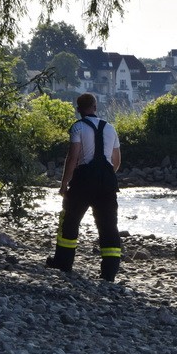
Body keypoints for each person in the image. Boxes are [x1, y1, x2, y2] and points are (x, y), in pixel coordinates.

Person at [48, 93, 123, 281]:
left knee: (70, 221)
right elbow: (116, 161)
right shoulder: (110, 128)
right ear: (95, 107)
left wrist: (64, 184)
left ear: (78, 108)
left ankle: (63, 263)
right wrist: (104, 176)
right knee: (108, 226)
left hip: (83, 181)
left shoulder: (78, 127)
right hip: (107, 182)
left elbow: (73, 158)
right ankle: (109, 272)